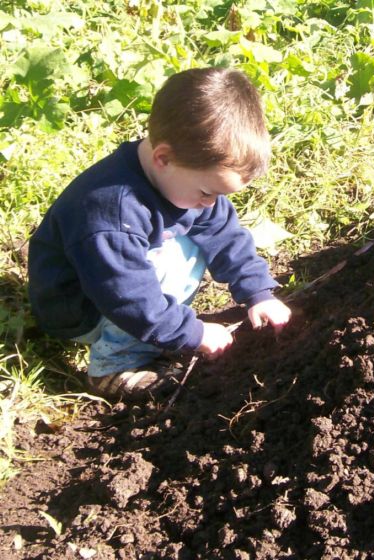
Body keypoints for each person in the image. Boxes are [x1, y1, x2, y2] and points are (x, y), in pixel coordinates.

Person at [28, 67, 291, 401]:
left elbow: (224, 231)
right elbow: (128, 296)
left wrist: (258, 292)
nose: (210, 203)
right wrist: (191, 332)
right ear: (163, 157)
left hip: (110, 280)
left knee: (193, 237)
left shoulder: (178, 180)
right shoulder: (112, 214)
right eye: (206, 192)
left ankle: (154, 333)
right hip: (78, 306)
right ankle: (114, 365)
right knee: (169, 264)